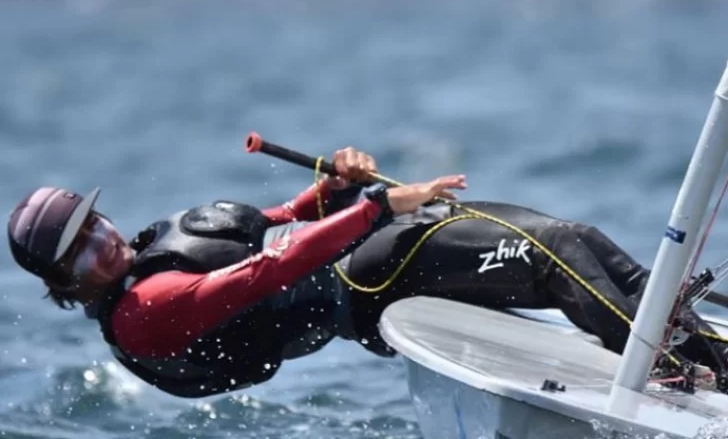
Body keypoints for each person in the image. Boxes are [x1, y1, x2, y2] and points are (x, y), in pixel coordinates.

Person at [7, 147, 728, 398]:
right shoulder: (144, 311)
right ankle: (675, 366)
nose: (100, 241)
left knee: (577, 242)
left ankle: (705, 355)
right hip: (370, 279)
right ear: (63, 282)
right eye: (78, 249)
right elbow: (269, 270)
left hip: (369, 260)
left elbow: (279, 221)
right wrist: (379, 203)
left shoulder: (150, 264)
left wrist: (333, 186)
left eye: (92, 222)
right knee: (556, 255)